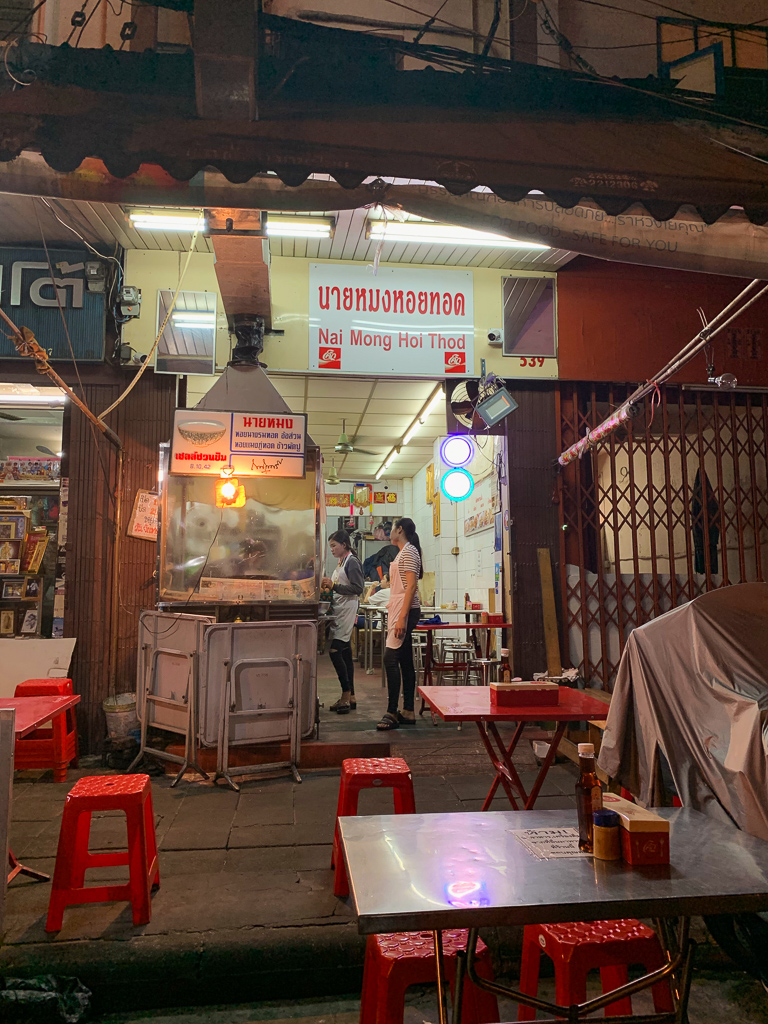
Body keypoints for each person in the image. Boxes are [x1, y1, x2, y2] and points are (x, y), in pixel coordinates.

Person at [377, 517, 423, 730]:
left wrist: (402, 617)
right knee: (404, 659)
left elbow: (411, 587)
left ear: (400, 530)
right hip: (399, 609)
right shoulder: (403, 552)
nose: (389, 531)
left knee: (390, 658)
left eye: (391, 528)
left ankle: (392, 711)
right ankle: (408, 711)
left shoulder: (409, 551)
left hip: (405, 610)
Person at [322, 530, 364, 714]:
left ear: (344, 545)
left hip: (347, 610)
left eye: (334, 545)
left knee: (335, 650)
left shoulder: (352, 561)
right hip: (339, 609)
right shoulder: (342, 561)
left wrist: (334, 586)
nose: (331, 549)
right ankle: (351, 695)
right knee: (345, 652)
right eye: (330, 545)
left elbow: (358, 588)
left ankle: (346, 694)